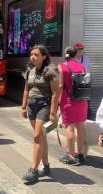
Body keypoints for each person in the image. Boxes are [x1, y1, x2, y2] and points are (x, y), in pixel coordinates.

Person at [21, 45, 59, 184]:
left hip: (44, 105)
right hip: (31, 105)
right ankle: (46, 166)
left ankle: (33, 170)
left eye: (36, 54)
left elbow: (55, 92)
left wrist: (53, 113)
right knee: (41, 137)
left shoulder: (51, 70)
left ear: (44, 56)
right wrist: (24, 106)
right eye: (31, 54)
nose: (33, 57)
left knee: (37, 136)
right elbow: (26, 89)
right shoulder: (29, 70)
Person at [58, 46, 88, 165]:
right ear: (76, 55)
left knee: (69, 127)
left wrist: (55, 101)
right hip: (81, 100)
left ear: (66, 54)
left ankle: (70, 156)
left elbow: (60, 85)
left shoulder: (61, 67)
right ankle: (79, 154)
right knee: (80, 126)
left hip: (68, 101)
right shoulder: (82, 67)